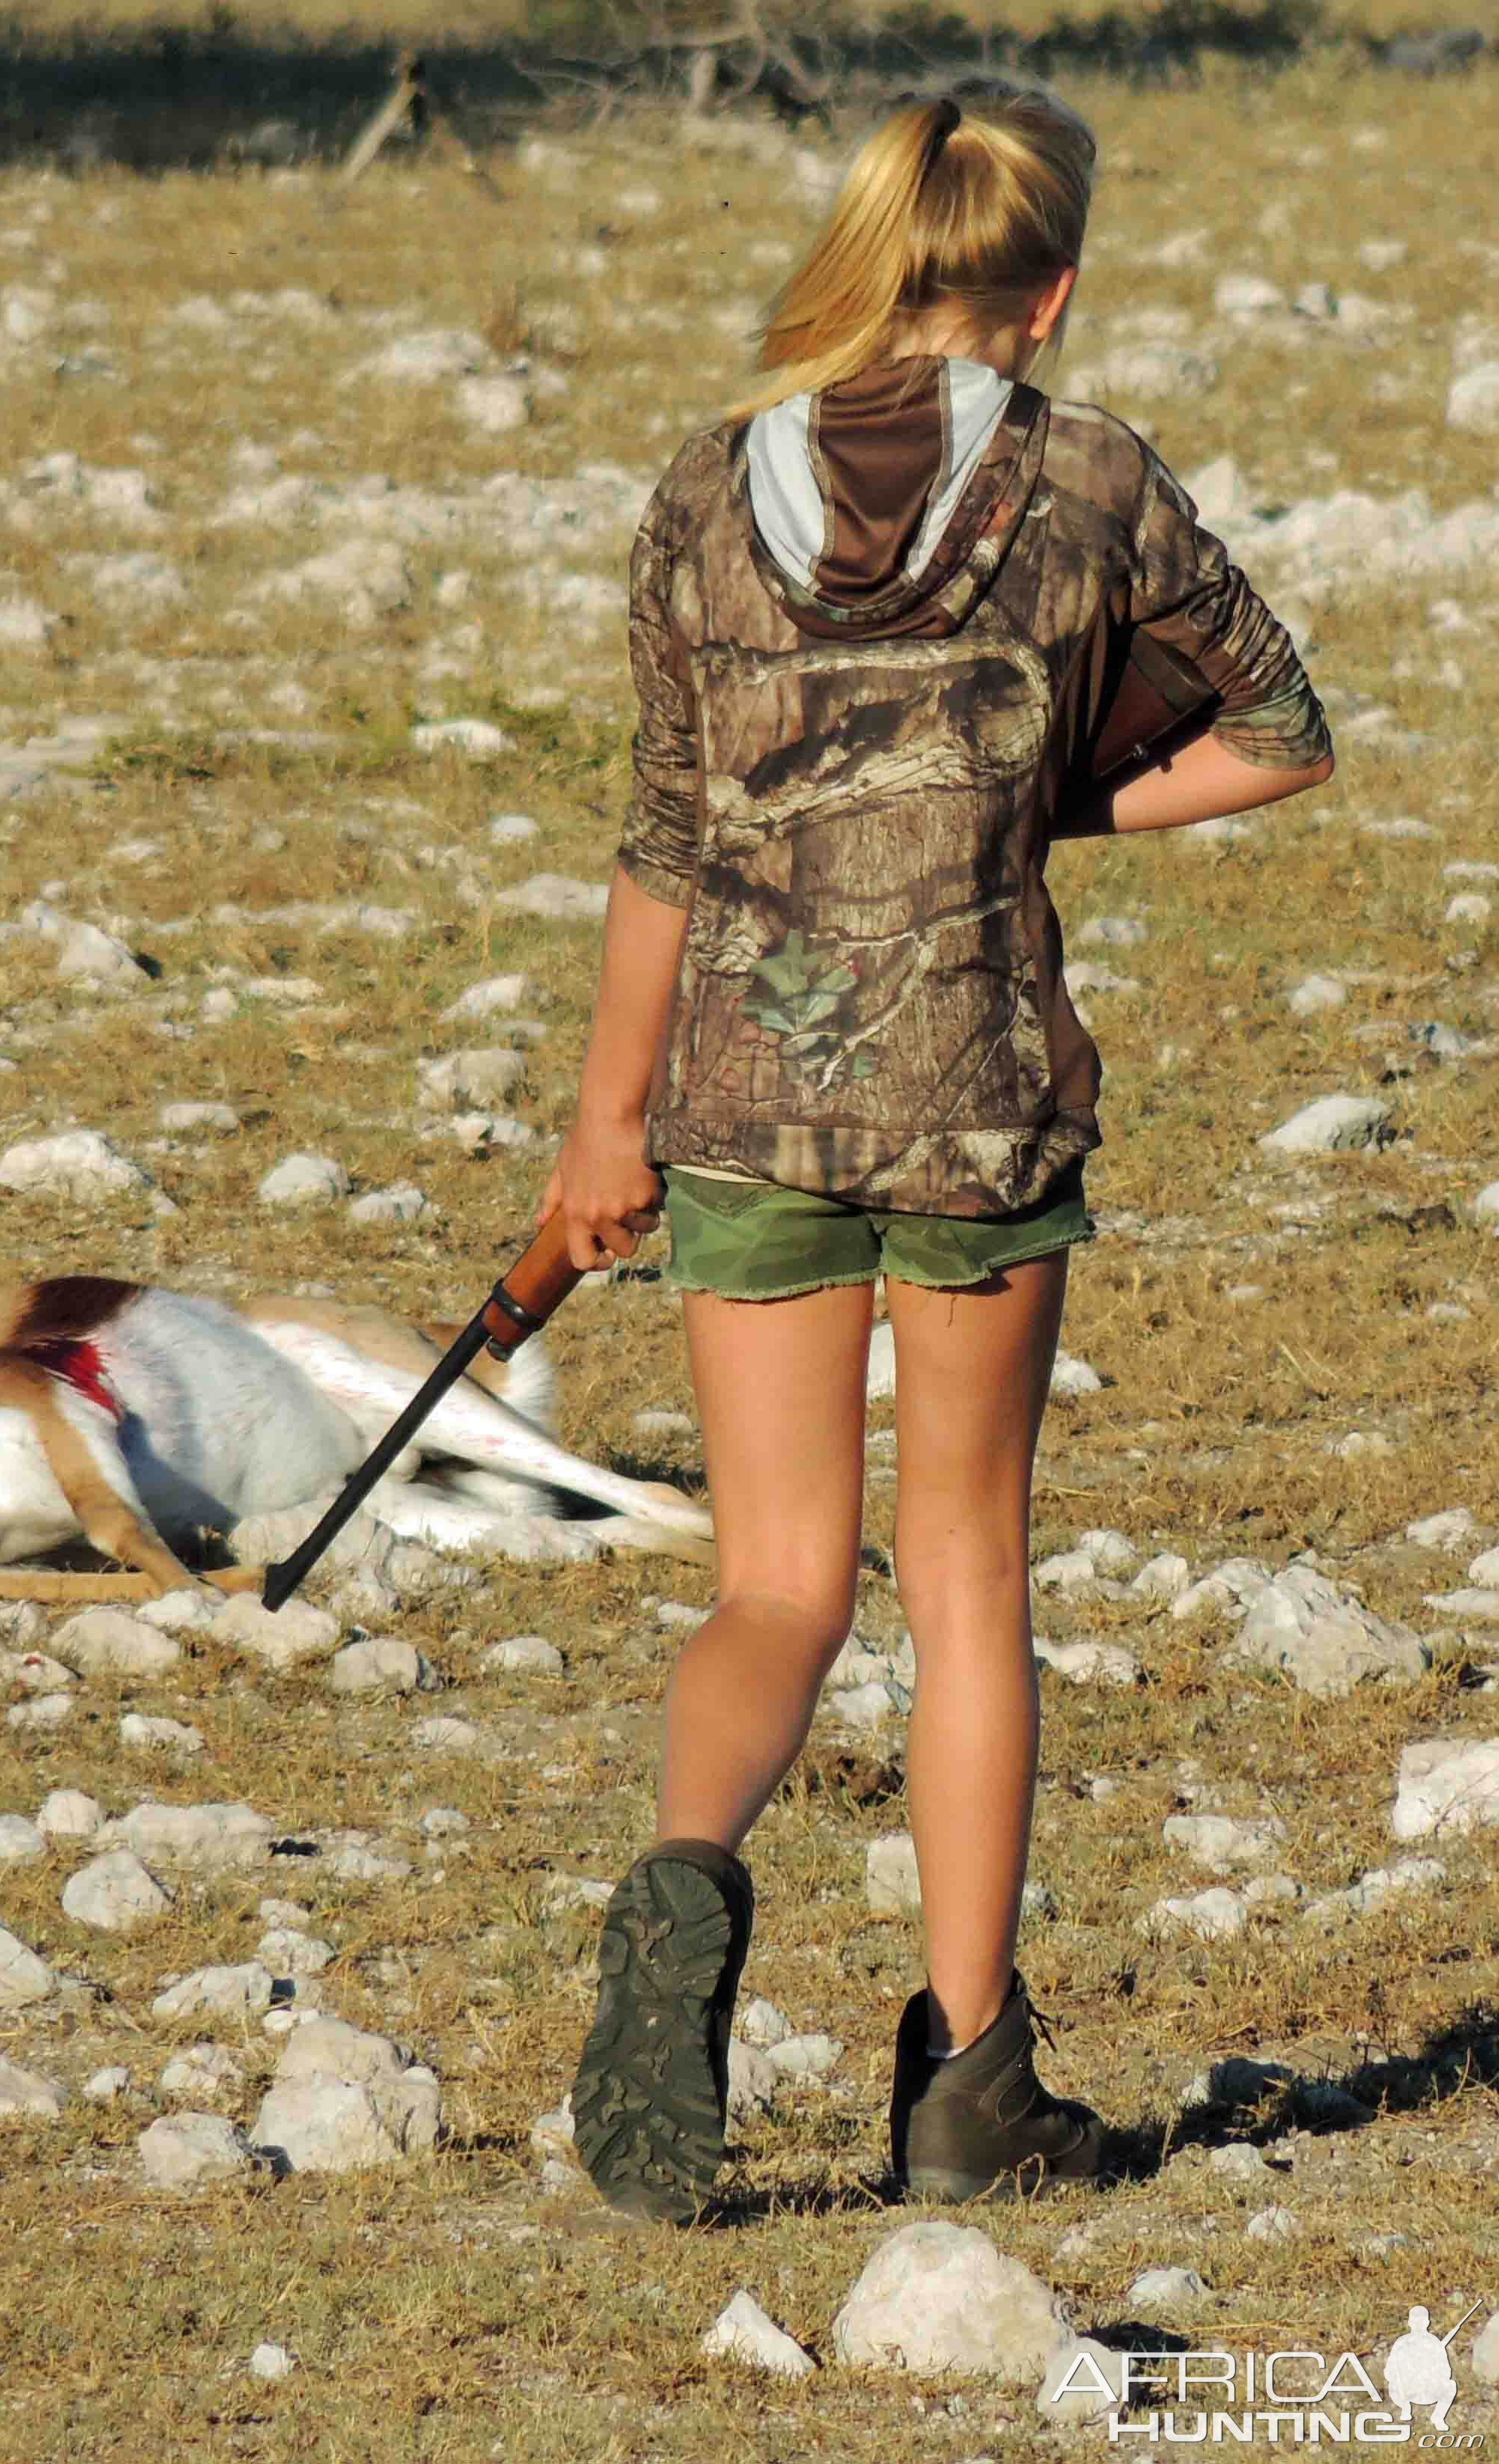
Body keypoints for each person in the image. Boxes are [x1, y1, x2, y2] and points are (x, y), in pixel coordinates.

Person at [548, 78, 1334, 2225]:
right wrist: (1037, 804)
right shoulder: (1089, 479)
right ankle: (967, 2088)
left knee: (774, 1582)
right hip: (979, 1110)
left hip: (739, 1099)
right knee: (962, 1579)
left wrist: (596, 1131)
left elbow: (664, 836)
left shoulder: (706, 492)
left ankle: (681, 1887)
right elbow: (1279, 730)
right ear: (1048, 291)